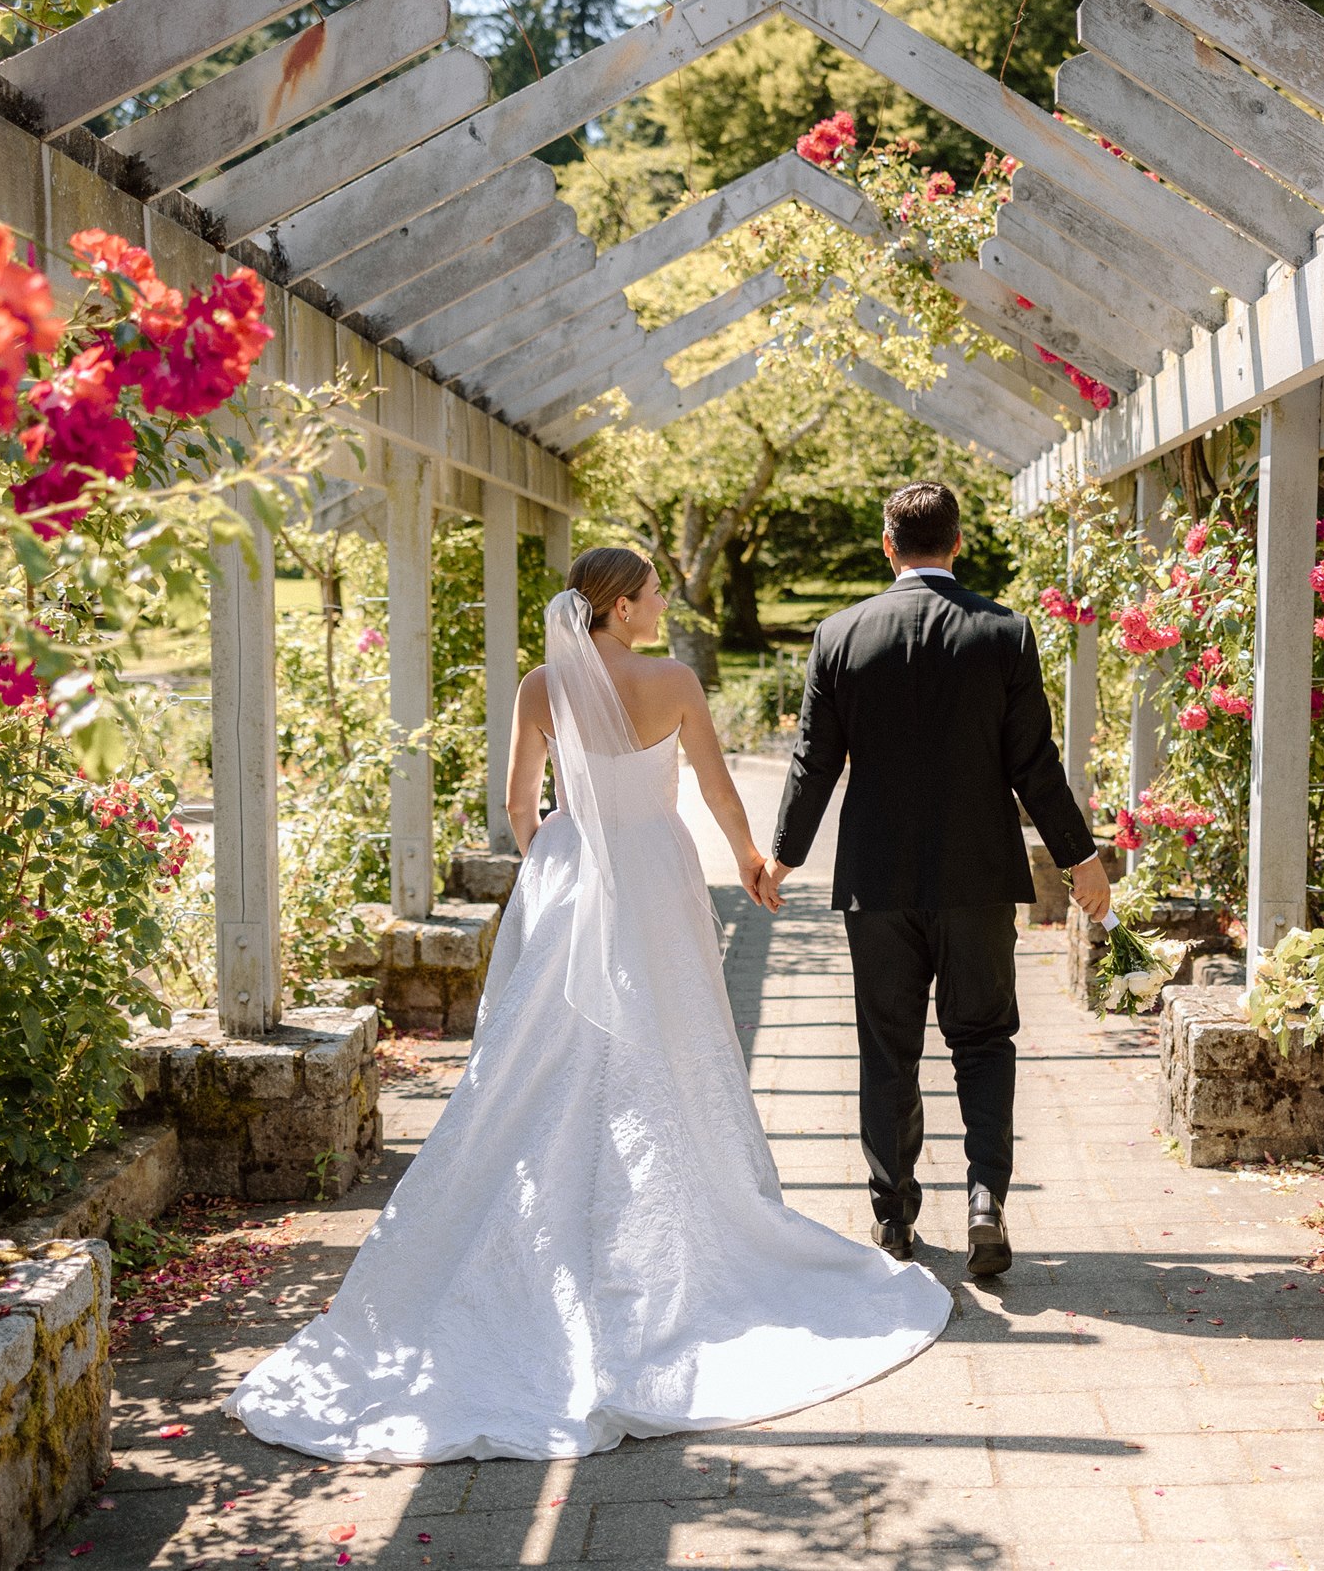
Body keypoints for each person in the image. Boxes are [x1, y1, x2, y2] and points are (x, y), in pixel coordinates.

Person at [224, 546, 950, 1464]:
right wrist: (750, 863)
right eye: (650, 594)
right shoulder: (676, 681)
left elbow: (519, 805)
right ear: (616, 606)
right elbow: (721, 793)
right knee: (668, 1036)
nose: (660, 605)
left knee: (548, 1048)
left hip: (571, 880)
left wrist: (557, 865)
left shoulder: (541, 687)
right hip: (657, 870)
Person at [763, 483, 1110, 1278]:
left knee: (889, 1050)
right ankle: (986, 1200)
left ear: (888, 546)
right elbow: (1033, 764)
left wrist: (783, 855)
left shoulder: (839, 635)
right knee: (984, 1039)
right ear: (959, 545)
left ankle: (894, 1219)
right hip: (979, 880)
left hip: (876, 884)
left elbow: (815, 761)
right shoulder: (1006, 632)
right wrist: (1080, 859)